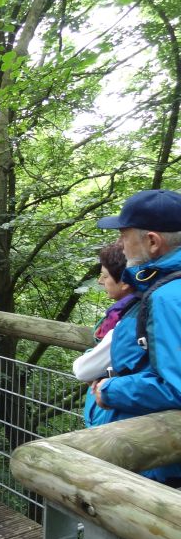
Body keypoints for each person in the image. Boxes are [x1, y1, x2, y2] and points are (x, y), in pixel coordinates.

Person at [88, 189, 181, 483]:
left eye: (124, 235)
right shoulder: (161, 288)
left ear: (152, 241)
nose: (120, 245)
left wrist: (111, 390)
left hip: (155, 461)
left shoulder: (168, 297)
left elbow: (177, 387)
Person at [73, 242, 135, 387]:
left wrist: (89, 356)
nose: (100, 281)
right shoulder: (120, 311)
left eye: (105, 276)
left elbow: (84, 370)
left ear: (125, 282)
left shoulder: (127, 317)